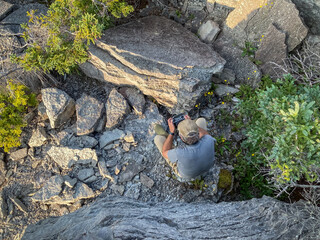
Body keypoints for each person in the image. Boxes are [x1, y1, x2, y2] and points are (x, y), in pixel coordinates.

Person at [154, 115, 216, 180]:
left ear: (181, 137)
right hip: (208, 167)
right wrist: (191, 124)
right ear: (198, 133)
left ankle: (167, 136)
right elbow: (205, 134)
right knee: (201, 121)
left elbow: (164, 152)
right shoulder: (209, 139)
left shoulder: (179, 152)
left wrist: (171, 132)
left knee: (158, 139)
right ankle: (191, 129)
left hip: (186, 174)